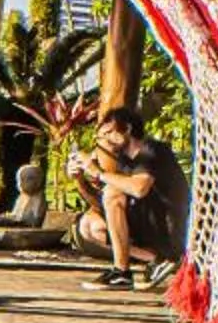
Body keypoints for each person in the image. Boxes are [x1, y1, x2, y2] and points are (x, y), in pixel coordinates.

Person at [67, 105, 190, 288]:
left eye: (109, 133)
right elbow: (101, 205)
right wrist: (79, 179)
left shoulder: (152, 150)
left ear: (127, 129)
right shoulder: (125, 161)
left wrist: (98, 173)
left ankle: (122, 272)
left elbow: (139, 189)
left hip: (171, 225)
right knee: (89, 225)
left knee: (112, 192)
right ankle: (158, 260)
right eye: (101, 136)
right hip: (148, 225)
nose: (105, 140)